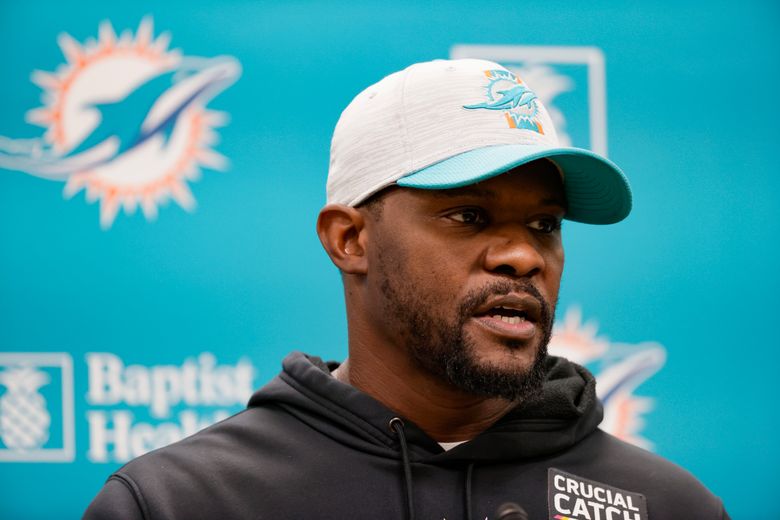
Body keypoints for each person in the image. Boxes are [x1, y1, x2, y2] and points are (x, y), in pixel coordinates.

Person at [84, 59, 729, 520]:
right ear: (350, 240)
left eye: (544, 224)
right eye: (469, 216)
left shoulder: (672, 506)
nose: (523, 256)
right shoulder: (182, 502)